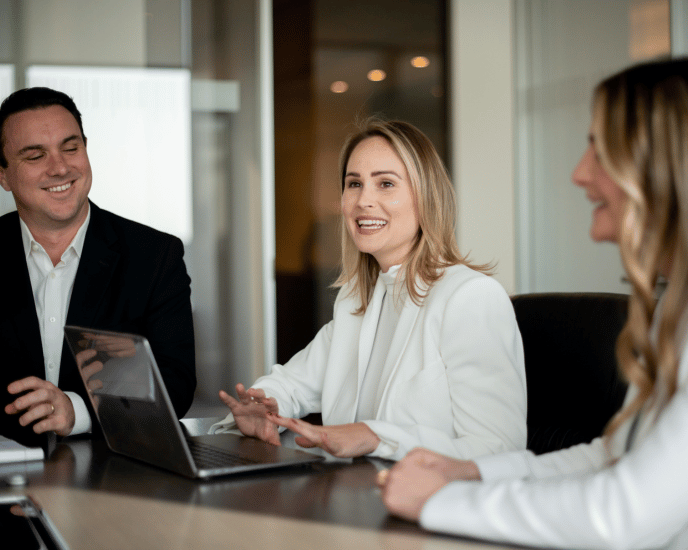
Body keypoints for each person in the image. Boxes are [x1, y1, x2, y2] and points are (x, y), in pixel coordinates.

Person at [378, 58, 688, 550]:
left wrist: (439, 501)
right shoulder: (675, 309)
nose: (579, 173)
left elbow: (623, 516)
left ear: (665, 165)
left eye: (601, 149)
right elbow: (615, 456)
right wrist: (471, 473)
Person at [212, 119, 527, 461]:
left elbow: (500, 449)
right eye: (354, 184)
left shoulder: (470, 298)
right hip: (354, 499)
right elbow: (292, 383)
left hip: (430, 506)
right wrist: (263, 405)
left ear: (426, 197)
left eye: (386, 183)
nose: (364, 201)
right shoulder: (355, 301)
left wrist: (377, 437)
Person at [0, 87, 196, 450]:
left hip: (116, 479)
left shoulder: (154, 255)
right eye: (35, 155)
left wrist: (77, 411)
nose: (60, 167)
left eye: (71, 148)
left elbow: (175, 383)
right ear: (3, 174)